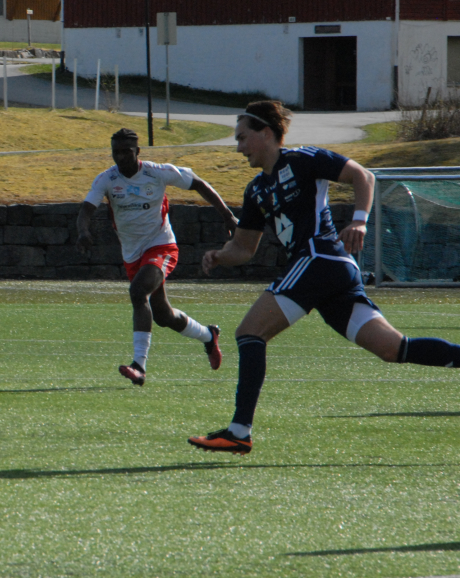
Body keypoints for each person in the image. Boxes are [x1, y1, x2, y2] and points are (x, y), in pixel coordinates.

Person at [189, 101, 460, 455]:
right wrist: (220, 256)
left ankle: (239, 431)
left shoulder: (303, 160)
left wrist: (360, 221)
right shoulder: (256, 190)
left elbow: (363, 176)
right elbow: (244, 248)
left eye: (242, 137)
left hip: (319, 259)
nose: (238, 147)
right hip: (328, 272)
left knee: (249, 332)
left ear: (266, 133)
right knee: (393, 348)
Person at [77, 128, 239, 385]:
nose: (121, 157)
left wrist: (228, 216)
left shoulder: (157, 172)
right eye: (116, 152)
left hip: (161, 246)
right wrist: (83, 230)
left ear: (138, 151)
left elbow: (197, 183)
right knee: (163, 316)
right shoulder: (107, 179)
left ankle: (139, 366)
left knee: (138, 292)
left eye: (126, 151)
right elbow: (86, 209)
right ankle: (208, 336)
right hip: (132, 254)